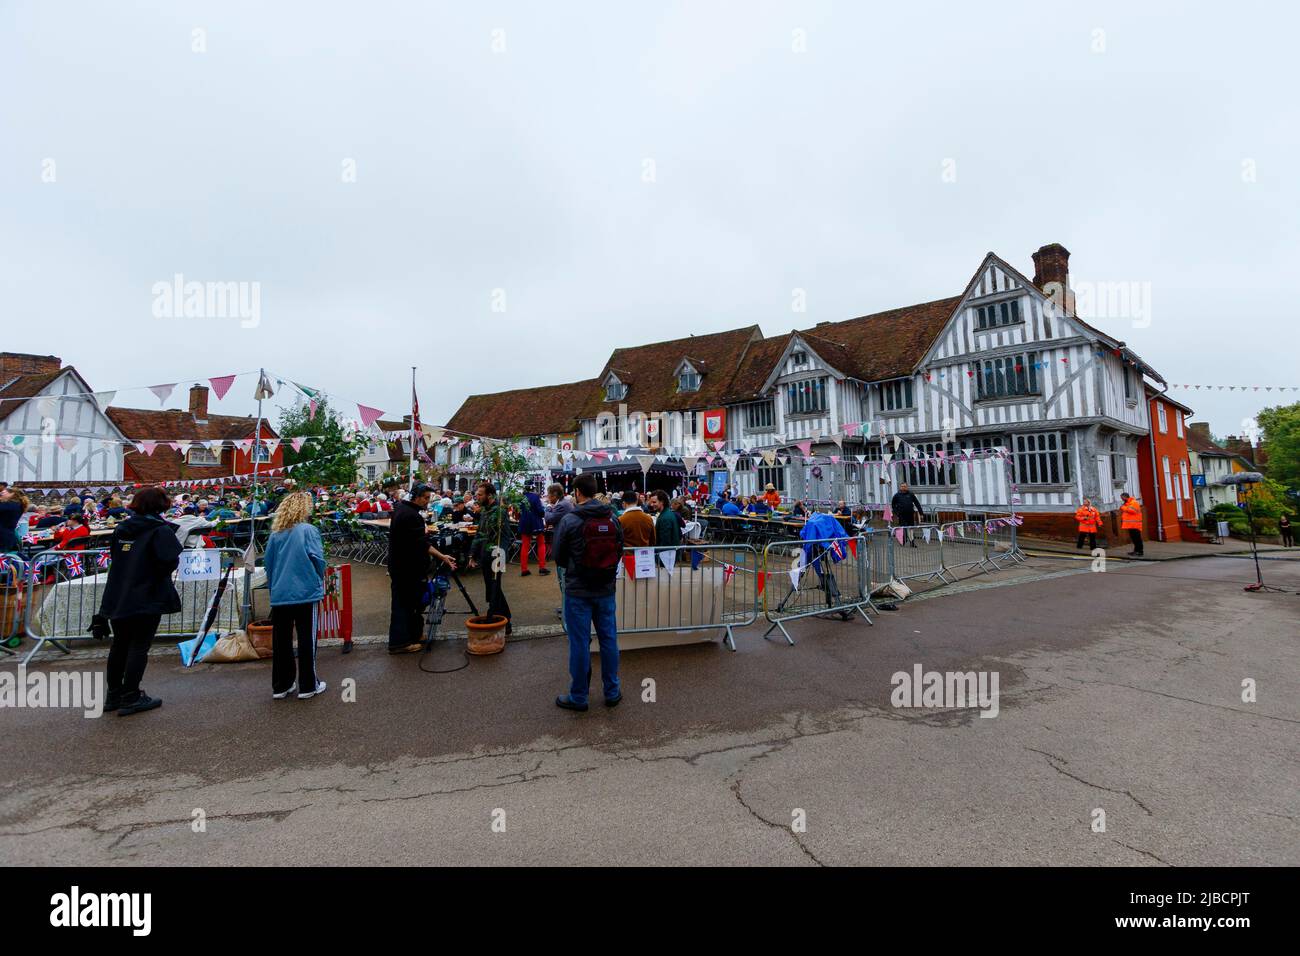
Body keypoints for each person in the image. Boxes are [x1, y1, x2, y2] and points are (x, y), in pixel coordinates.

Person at [98, 486, 183, 716]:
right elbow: (169, 560)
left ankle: (113, 694)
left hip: (119, 592)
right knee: (138, 646)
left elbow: (116, 557)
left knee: (120, 645)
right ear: (160, 505)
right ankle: (131, 696)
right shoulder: (159, 530)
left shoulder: (122, 528)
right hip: (147, 593)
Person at [552, 473, 624, 712]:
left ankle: (579, 696)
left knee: (580, 643)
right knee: (609, 639)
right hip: (605, 588)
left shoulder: (570, 520)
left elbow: (559, 556)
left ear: (578, 492)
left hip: (578, 590)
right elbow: (619, 549)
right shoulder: (612, 518)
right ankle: (612, 691)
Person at [263, 491, 328, 700]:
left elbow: (268, 564)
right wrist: (319, 578)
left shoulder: (276, 534)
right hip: (305, 591)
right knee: (307, 638)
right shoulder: (308, 530)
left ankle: (282, 685)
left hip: (281, 592)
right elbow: (317, 558)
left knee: (281, 640)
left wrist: (274, 586)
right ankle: (308, 684)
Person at [387, 483, 436, 654]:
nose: (427, 501)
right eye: (426, 498)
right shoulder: (410, 515)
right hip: (406, 568)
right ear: (417, 496)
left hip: (402, 566)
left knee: (413, 603)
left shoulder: (403, 509)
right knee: (404, 605)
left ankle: (414, 634)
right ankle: (399, 642)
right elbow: (420, 543)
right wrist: (441, 556)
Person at [468, 481, 513, 632]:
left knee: (494, 587)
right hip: (485, 555)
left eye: (480, 494)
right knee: (492, 588)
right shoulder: (484, 511)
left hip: (496, 554)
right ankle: (503, 618)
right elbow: (479, 534)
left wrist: (501, 555)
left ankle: (497, 618)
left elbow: (506, 536)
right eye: (477, 494)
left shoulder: (499, 512)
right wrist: (472, 555)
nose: (477, 497)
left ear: (490, 495)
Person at [518, 484, 549, 577]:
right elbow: (540, 510)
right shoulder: (535, 497)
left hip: (524, 522)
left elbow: (518, 511)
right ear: (533, 488)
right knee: (541, 544)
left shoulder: (521, 498)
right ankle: (542, 568)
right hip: (536, 522)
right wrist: (543, 514)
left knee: (525, 546)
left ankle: (524, 569)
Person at [890, 482, 925, 547]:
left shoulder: (911, 494)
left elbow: (917, 504)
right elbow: (893, 505)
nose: (904, 488)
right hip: (901, 515)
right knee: (902, 528)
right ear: (900, 487)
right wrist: (896, 513)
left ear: (907, 487)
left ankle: (912, 542)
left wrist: (921, 513)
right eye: (902, 486)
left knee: (910, 528)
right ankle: (902, 541)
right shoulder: (897, 495)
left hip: (910, 514)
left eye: (905, 486)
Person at [0, 487, 30, 553]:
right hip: (7, 535)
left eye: (3, 492)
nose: (1, 493)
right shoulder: (16, 505)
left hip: (3, 536)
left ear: (12, 494)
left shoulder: (10, 505)